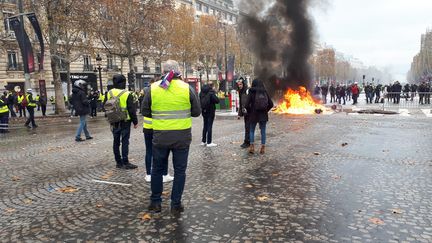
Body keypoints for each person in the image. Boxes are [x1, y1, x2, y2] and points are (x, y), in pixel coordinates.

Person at [142, 60, 201, 215]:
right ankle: (176, 204)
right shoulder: (187, 88)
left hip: (160, 137)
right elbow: (196, 112)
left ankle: (155, 203)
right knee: (180, 171)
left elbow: (145, 111)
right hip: (182, 137)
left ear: (163, 71)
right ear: (178, 71)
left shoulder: (153, 89)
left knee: (157, 170)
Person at [141, 83, 174, 183]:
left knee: (149, 151)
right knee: (164, 151)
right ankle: (164, 174)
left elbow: (144, 110)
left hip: (147, 126)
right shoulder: (160, 93)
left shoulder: (146, 94)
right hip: (159, 126)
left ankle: (149, 174)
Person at [106, 74, 138, 169]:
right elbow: (131, 109)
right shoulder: (127, 93)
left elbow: (106, 105)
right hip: (125, 121)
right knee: (125, 141)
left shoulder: (109, 92)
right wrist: (135, 121)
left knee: (116, 141)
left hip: (114, 120)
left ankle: (118, 162)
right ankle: (126, 162)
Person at [245, 79, 274, 155]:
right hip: (263, 115)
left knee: (252, 130)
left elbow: (247, 104)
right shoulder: (264, 91)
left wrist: (249, 111)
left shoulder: (251, 91)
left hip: (253, 114)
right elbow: (271, 104)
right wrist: (265, 110)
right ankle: (262, 148)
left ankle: (252, 147)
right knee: (263, 131)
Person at [199, 82, 219, 147]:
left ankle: (203, 141)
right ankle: (209, 142)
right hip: (210, 111)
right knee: (209, 126)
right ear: (211, 86)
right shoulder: (211, 93)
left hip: (204, 111)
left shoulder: (201, 93)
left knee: (205, 126)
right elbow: (217, 100)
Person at [237, 78, 250, 148]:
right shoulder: (240, 91)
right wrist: (239, 114)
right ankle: (248, 141)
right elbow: (240, 103)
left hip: (249, 112)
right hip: (245, 112)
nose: (239, 86)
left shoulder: (247, 90)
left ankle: (247, 141)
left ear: (243, 84)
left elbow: (247, 102)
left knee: (248, 127)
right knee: (247, 126)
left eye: (241, 84)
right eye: (238, 84)